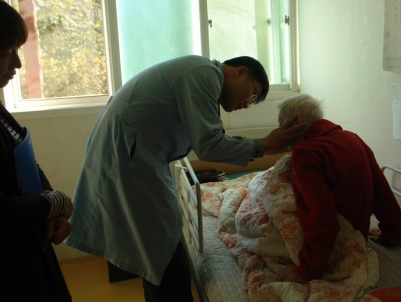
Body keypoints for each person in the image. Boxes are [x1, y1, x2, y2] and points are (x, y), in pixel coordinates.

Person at [65, 54, 306, 302]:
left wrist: (264, 147)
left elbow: (208, 139)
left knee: (160, 242)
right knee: (162, 247)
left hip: (135, 149)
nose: (247, 104)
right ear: (240, 71)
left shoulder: (200, 74)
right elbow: (209, 145)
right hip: (128, 152)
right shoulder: (204, 74)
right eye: (253, 95)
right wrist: (264, 145)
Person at [278, 94, 401, 281]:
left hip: (335, 247)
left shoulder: (306, 152)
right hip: (359, 236)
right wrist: (392, 233)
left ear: (295, 123)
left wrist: (307, 270)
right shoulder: (353, 138)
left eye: (281, 124)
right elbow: (382, 191)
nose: (280, 132)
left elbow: (322, 217)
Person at [0, 0, 74, 301]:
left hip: (31, 249)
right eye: (7, 52)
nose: (17, 63)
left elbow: (25, 161)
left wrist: (50, 203)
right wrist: (52, 203)